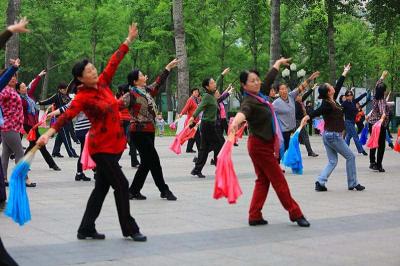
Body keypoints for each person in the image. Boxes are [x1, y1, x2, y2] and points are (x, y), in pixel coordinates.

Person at [37, 23, 146, 242]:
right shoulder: (83, 97)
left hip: (114, 145)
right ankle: (130, 228)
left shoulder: (104, 83)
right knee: (122, 186)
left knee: (101, 189)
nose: (94, 71)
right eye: (88, 71)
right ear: (80, 78)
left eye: (93, 68)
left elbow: (114, 62)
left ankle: (86, 228)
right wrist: (49, 132)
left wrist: (128, 40)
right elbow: (67, 115)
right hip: (100, 148)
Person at [230, 57, 310, 227]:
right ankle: (295, 213)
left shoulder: (259, 95)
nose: (257, 82)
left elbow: (268, 79)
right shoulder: (249, 101)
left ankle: (254, 215)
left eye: (257, 79)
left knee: (263, 180)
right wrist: (235, 123)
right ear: (244, 86)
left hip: (261, 144)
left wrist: (278, 64)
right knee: (279, 180)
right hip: (259, 146)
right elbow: (243, 113)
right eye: (252, 81)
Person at [122, 58, 179, 201]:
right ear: (135, 81)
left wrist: (168, 68)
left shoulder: (147, 91)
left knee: (147, 162)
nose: (144, 76)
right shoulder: (130, 95)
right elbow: (114, 106)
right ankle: (164, 190)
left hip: (149, 130)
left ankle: (133, 191)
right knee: (154, 161)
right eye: (141, 75)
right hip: (138, 132)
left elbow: (158, 83)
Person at [302, 64, 365, 192]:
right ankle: (353, 183)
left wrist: (345, 72)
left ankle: (320, 182)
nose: (333, 87)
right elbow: (318, 111)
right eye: (331, 87)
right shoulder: (327, 104)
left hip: (328, 135)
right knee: (351, 157)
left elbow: (339, 85)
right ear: (328, 91)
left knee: (332, 161)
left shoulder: (332, 100)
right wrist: (307, 117)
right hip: (333, 136)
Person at [16, 70, 61, 171]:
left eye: (25, 87)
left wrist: (39, 76)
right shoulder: (19, 100)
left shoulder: (29, 96)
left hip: (34, 124)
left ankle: (22, 164)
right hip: (27, 124)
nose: (25, 89)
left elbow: (33, 86)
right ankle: (52, 164)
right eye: (22, 87)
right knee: (39, 144)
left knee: (35, 144)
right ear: (18, 90)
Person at [0, 60, 36, 188]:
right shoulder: (4, 91)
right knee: (20, 153)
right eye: (11, 77)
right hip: (9, 127)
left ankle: (3, 178)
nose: (13, 79)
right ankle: (23, 178)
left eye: (15, 77)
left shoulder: (12, 90)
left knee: (5, 153)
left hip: (12, 127)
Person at [273, 71, 320, 156]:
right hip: (283, 130)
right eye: (281, 89)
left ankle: (275, 163)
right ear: (278, 92)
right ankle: (274, 164)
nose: (284, 91)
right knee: (283, 148)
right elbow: (268, 112)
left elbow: (301, 87)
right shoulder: (276, 103)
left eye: (285, 88)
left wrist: (310, 78)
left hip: (292, 127)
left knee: (287, 146)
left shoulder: (291, 96)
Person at [38, 83, 79, 158]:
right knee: (66, 136)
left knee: (60, 136)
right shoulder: (57, 96)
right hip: (60, 119)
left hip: (67, 117)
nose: (66, 90)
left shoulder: (67, 96)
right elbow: (48, 101)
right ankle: (71, 152)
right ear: (60, 89)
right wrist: (40, 102)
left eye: (66, 88)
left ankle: (55, 152)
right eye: (64, 89)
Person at [367, 71, 390, 172]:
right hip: (379, 125)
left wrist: (382, 76)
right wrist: (383, 117)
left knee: (373, 141)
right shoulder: (381, 100)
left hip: (372, 123)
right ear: (384, 91)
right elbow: (383, 112)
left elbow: (378, 84)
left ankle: (372, 162)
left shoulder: (375, 95)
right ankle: (379, 165)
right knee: (381, 144)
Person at [116, 84, 140, 168]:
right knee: (126, 142)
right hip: (125, 121)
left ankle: (134, 161)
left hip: (126, 121)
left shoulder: (121, 98)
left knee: (130, 142)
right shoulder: (124, 98)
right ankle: (114, 162)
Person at [339, 89, 368, 155]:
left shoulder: (353, 102)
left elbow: (360, 98)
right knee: (355, 136)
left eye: (351, 95)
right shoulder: (344, 103)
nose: (350, 96)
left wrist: (365, 93)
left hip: (352, 121)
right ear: (346, 96)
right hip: (348, 122)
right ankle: (361, 150)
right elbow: (340, 112)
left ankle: (344, 150)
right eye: (348, 95)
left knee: (349, 136)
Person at [295, 86, 318, 157]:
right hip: (298, 122)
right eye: (299, 96)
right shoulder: (295, 104)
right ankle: (310, 152)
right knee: (305, 137)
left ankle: (294, 152)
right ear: (295, 97)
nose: (301, 97)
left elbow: (306, 95)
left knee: (298, 138)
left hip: (300, 122)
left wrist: (312, 88)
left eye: (301, 95)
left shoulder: (299, 103)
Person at [177, 88, 201, 153]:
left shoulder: (197, 100)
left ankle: (189, 149)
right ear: (192, 93)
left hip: (196, 121)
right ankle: (200, 149)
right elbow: (186, 107)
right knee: (197, 135)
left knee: (193, 135)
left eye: (197, 92)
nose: (197, 93)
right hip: (191, 121)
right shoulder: (190, 100)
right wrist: (181, 113)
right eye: (195, 92)